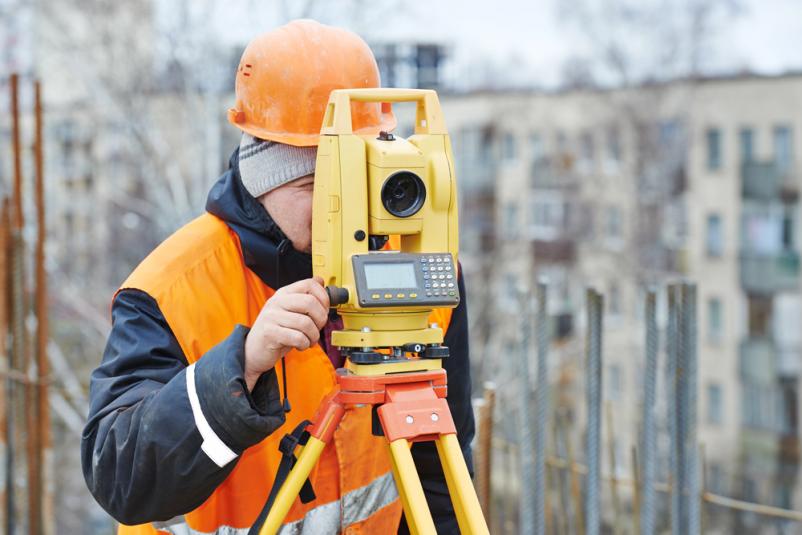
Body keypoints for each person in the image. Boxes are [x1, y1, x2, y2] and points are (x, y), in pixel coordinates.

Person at [81, 19, 474, 535]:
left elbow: (438, 478)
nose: (347, 211)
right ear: (265, 178)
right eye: (320, 186)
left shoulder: (423, 278)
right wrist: (239, 368)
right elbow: (121, 482)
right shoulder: (171, 290)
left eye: (360, 184)